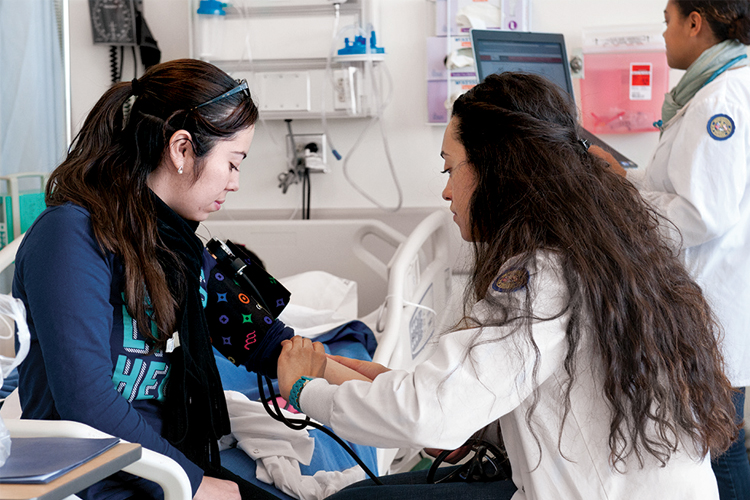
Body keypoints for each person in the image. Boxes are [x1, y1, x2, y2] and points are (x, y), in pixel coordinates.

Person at [275, 72, 739, 500]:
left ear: (497, 169)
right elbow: (557, 399)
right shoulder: (605, 255)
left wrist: (302, 391)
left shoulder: (542, 279)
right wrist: (476, 429)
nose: (446, 191)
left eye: (449, 168)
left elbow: (427, 413)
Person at [12, 59, 280, 500]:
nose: (235, 182)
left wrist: (369, 385)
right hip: (97, 482)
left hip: (163, 467)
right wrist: (191, 484)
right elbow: (87, 402)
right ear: (181, 149)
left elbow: (260, 338)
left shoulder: (174, 245)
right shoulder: (70, 237)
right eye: (233, 163)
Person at [592, 2, 750, 497]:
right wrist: (628, 179)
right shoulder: (719, 86)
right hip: (719, 294)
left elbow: (700, 212)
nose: (663, 34)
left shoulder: (719, 99)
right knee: (719, 440)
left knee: (717, 447)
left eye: (667, 20)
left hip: (713, 297)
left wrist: (626, 194)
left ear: (695, 22)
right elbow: (686, 185)